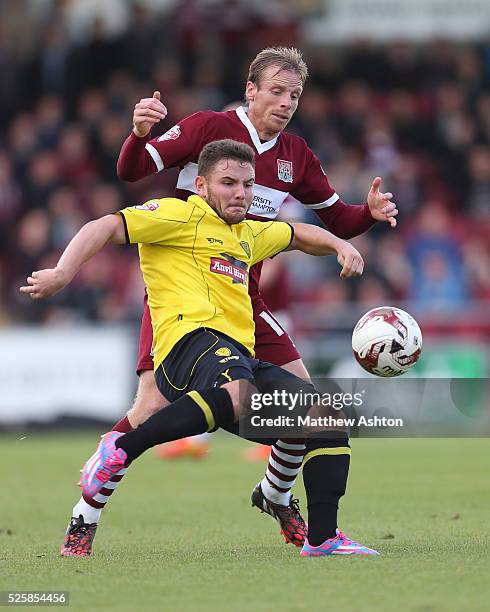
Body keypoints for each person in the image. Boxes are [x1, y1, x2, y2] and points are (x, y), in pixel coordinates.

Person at [65, 47, 398, 556]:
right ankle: (85, 514)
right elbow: (131, 172)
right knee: (151, 405)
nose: (286, 103)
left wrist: (368, 214)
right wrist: (139, 133)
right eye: (276, 91)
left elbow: (336, 221)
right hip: (187, 291)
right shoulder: (207, 128)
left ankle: (276, 495)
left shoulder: (296, 155)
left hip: (245, 292)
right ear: (251, 90)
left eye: (295, 95)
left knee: (306, 406)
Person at [21, 139, 378, 556]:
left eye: (247, 184)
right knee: (224, 394)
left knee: (323, 415)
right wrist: (64, 272)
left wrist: (341, 244)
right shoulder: (175, 215)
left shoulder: (249, 234)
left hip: (237, 354)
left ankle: (323, 538)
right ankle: (119, 456)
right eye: (228, 183)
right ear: (203, 186)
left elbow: (299, 234)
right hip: (185, 346)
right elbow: (103, 226)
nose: (240, 193)